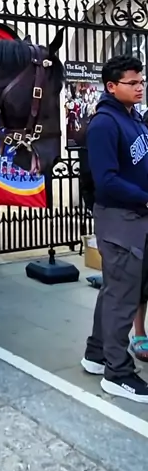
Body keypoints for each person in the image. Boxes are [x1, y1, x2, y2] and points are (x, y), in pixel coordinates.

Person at [81, 55, 148, 402]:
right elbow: (106, 181)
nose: (140, 87)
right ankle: (118, 373)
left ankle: (96, 354)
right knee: (122, 296)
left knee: (114, 290)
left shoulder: (133, 118)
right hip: (120, 218)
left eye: (141, 81)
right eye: (132, 83)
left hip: (135, 216)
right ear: (111, 86)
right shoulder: (105, 124)